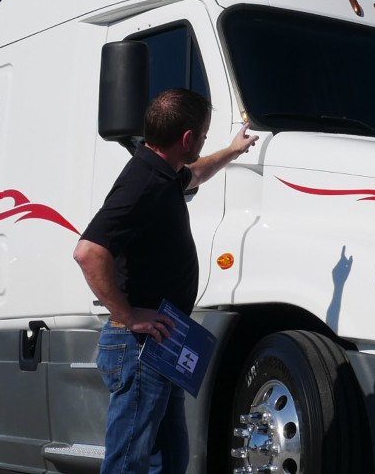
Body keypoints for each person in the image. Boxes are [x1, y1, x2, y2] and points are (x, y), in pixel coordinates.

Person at [73, 88, 258, 474]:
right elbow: (89, 252)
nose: (204, 141)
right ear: (187, 138)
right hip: (140, 345)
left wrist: (233, 150)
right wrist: (128, 315)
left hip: (162, 343)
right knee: (129, 462)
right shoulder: (143, 182)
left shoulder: (163, 173)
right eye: (203, 136)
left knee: (171, 459)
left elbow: (196, 174)